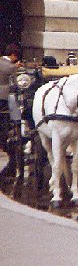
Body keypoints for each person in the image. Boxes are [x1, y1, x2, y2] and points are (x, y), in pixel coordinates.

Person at [0, 43, 22, 178]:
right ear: (13, 55)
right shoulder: (5, 63)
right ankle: (16, 121)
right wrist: (17, 67)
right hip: (3, 94)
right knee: (14, 102)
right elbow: (8, 69)